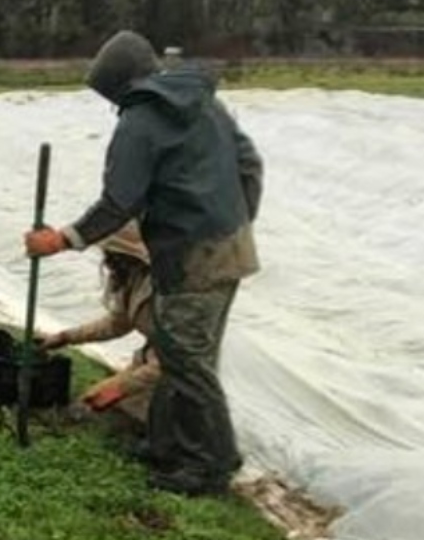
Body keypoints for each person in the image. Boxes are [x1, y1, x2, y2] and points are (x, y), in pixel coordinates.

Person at [24, 32, 263, 496]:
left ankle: (212, 465)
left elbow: (118, 202)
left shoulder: (140, 118)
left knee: (188, 363)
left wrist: (61, 239)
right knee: (180, 355)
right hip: (229, 246)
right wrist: (233, 221)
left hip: (193, 254)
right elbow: (249, 164)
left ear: (117, 85)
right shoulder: (203, 104)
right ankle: (167, 447)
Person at [35, 222, 161, 427]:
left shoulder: (166, 289)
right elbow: (116, 324)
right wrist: (65, 337)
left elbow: (170, 362)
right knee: (90, 401)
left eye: (115, 254)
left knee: (131, 417)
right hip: (148, 362)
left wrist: (121, 388)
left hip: (172, 374)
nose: (109, 260)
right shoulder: (130, 279)